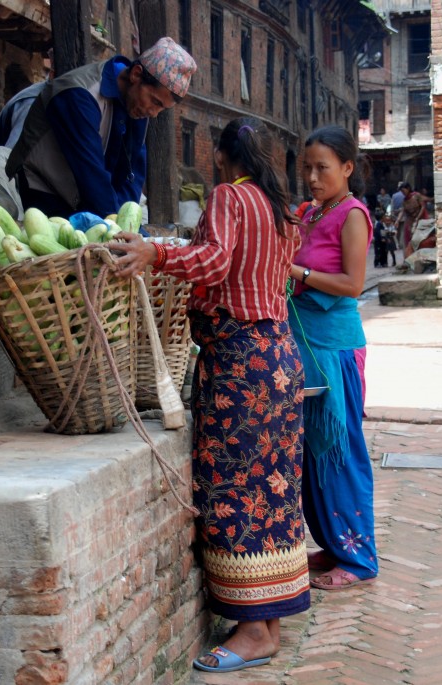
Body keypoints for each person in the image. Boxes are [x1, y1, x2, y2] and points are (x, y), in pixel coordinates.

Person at [110, 117, 309, 673]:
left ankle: (253, 632)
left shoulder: (229, 196)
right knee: (274, 488)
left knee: (233, 489)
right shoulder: (279, 208)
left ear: (221, 156)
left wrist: (155, 255)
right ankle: (267, 621)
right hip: (278, 358)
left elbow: (216, 261)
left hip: (241, 364)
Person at [285, 125, 379, 591]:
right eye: (307, 168)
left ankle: (359, 559)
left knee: (341, 449)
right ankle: (333, 543)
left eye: (322, 168)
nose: (312, 177)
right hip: (307, 342)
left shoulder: (353, 215)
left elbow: (352, 285)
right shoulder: (311, 211)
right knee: (315, 450)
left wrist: (296, 271)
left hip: (336, 346)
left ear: (347, 168)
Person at [5, 36, 196, 218]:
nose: (154, 113)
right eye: (155, 102)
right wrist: (115, 223)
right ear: (136, 74)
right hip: (44, 189)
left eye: (162, 108)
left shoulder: (136, 103)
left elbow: (133, 170)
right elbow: (91, 173)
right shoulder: (79, 94)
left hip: (85, 196)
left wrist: (127, 220)